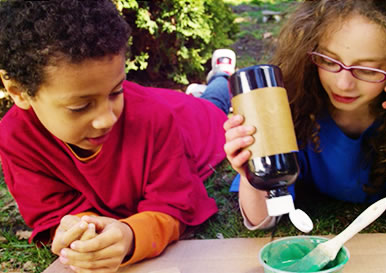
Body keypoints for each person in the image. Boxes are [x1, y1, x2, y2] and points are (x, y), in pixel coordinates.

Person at [0, 0, 235, 272]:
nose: (107, 118)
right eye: (80, 106)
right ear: (18, 92)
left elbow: (176, 203)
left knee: (216, 103)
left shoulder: (155, 118)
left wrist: (131, 236)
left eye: (116, 90)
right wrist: (82, 230)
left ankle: (222, 76)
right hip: (163, 106)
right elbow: (53, 211)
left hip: (194, 122)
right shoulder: (15, 138)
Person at [224, 0, 386, 232]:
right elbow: (262, 219)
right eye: (329, 60)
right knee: (217, 97)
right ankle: (220, 79)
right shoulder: (288, 102)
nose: (343, 84)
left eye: (368, 70)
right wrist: (251, 176)